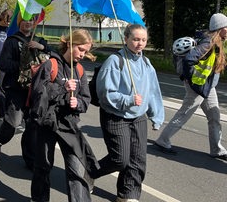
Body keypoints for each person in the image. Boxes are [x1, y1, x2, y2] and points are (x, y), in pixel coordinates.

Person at [91, 24, 164, 202]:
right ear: (126, 39)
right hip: (115, 115)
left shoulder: (146, 63)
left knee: (137, 159)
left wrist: (156, 115)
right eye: (136, 39)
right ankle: (88, 172)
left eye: (144, 40)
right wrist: (128, 100)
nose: (140, 44)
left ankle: (127, 194)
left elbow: (153, 91)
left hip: (138, 117)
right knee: (120, 159)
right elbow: (105, 93)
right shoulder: (115, 61)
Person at [30, 29, 98, 202]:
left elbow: (85, 99)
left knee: (77, 168)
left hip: (69, 124)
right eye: (81, 49)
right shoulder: (50, 65)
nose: (83, 54)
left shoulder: (80, 70)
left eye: (86, 51)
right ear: (70, 44)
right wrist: (62, 89)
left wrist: (78, 104)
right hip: (47, 123)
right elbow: (39, 94)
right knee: (43, 166)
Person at [155, 13, 227, 160]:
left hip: (207, 86)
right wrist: (192, 80)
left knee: (214, 117)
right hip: (198, 87)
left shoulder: (217, 42)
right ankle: (163, 140)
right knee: (184, 114)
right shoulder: (208, 43)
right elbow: (189, 60)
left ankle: (217, 150)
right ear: (220, 28)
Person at [0, 16, 50, 170]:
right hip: (16, 90)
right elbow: (4, 64)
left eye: (31, 21)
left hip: (35, 90)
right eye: (25, 20)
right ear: (19, 23)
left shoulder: (41, 41)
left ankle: (30, 159)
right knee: (12, 123)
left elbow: (52, 56)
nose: (28, 23)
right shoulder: (12, 41)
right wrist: (23, 64)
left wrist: (40, 47)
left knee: (32, 126)